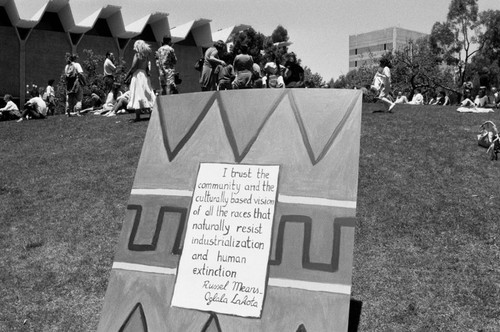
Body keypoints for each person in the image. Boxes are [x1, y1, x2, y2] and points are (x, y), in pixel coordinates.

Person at [124, 40, 155, 123]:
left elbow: (133, 67)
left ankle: (138, 116)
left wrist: (127, 76)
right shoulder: (146, 56)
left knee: (137, 94)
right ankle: (151, 114)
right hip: (144, 75)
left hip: (137, 75)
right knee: (146, 93)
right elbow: (147, 68)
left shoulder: (137, 55)